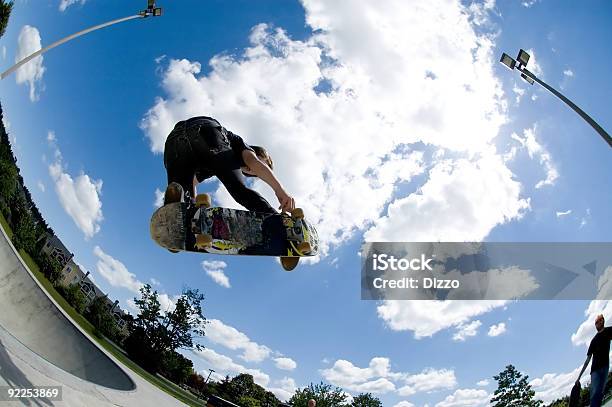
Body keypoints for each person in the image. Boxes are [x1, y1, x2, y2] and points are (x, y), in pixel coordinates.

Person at [162, 116, 294, 214]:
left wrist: (193, 207)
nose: (253, 171)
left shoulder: (213, 165)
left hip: (173, 144)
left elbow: (193, 181)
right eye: (262, 165)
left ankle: (177, 218)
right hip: (207, 132)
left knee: (182, 197)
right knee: (240, 191)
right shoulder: (240, 145)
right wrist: (280, 190)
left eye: (253, 174)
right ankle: (277, 222)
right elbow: (254, 162)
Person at [576, 314, 612, 407]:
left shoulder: (609, 331)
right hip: (595, 370)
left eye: (598, 322)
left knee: (600, 393)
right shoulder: (594, 340)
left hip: (605, 367)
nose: (597, 324)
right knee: (595, 394)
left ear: (602, 321)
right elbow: (587, 360)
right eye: (595, 323)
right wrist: (579, 377)